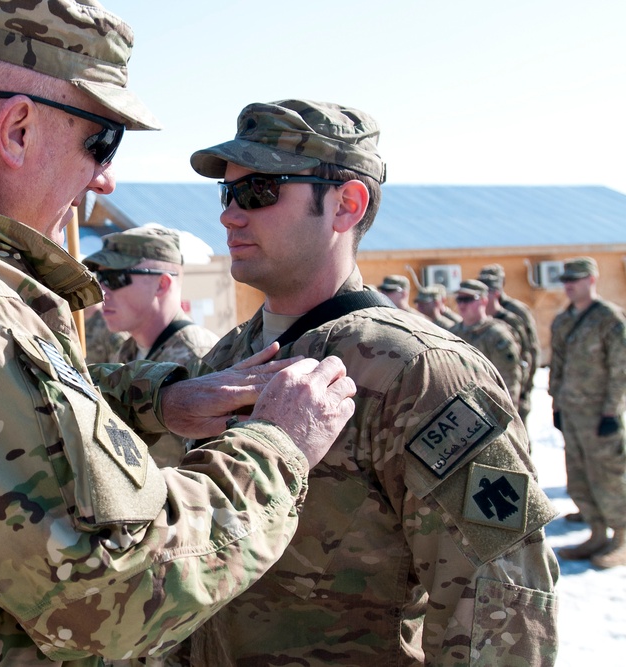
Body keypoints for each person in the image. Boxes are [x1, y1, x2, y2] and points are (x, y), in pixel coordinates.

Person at [0, 4, 361, 665]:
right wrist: (276, 449)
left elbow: (6, 405)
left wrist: (157, 399)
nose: (104, 178)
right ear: (17, 128)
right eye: (101, 141)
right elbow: (113, 595)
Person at [185, 98, 559, 665]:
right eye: (227, 193)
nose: (230, 215)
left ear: (346, 204)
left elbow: (500, 600)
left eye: (259, 190)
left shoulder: (420, 371)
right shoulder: (228, 358)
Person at [84, 225, 220, 467]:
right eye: (100, 279)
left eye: (115, 278)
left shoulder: (201, 359)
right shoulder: (127, 352)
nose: (102, 292)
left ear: (162, 285)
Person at [549, 257, 626, 569]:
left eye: (576, 279)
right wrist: (556, 404)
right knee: (579, 477)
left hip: (599, 416)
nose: (569, 285)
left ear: (591, 280)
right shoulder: (563, 320)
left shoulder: (609, 319)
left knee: (609, 477)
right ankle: (596, 532)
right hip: (572, 413)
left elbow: (621, 371)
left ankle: (621, 537)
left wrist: (611, 412)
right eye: (566, 280)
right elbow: (557, 366)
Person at [479, 264, 539, 425]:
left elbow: (530, 350)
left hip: (515, 385)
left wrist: (525, 387)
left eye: (492, 282)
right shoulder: (478, 309)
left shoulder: (515, 312)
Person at [449, 279, 524, 407]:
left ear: (483, 300)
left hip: (491, 407)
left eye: (468, 299)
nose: (462, 304)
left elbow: (509, 378)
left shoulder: (496, 334)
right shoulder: (452, 333)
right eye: (459, 299)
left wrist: (507, 411)